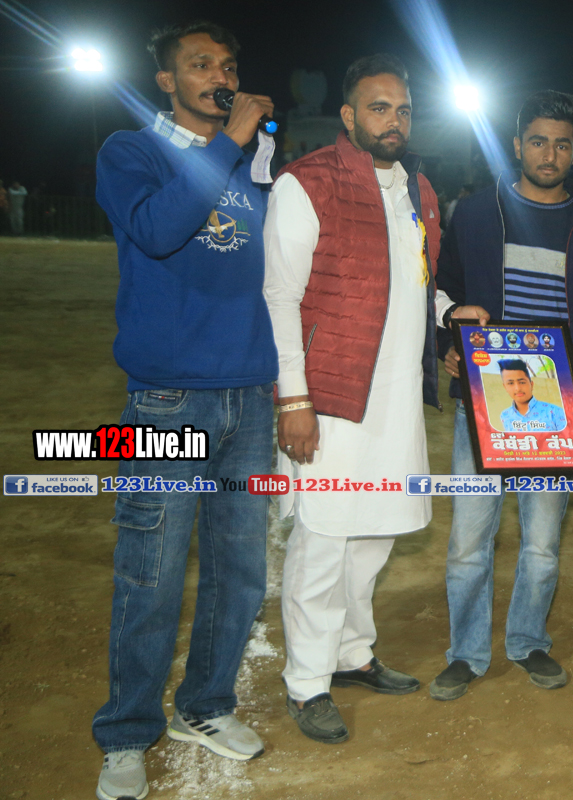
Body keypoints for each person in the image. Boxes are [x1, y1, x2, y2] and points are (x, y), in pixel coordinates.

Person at [90, 21, 278, 800]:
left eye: (228, 64)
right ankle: (126, 734)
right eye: (199, 65)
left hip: (252, 394)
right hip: (168, 397)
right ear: (166, 80)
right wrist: (228, 144)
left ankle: (205, 704)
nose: (219, 76)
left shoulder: (253, 162)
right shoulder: (130, 152)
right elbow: (159, 231)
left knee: (239, 570)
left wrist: (249, 154)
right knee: (153, 570)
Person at [262, 53, 441, 745]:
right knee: (325, 538)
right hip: (331, 398)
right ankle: (308, 681)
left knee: (375, 535)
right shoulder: (306, 182)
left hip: (396, 399)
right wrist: (293, 400)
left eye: (402, 110)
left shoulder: (420, 188)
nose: (393, 121)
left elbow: (416, 280)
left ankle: (351, 653)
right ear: (348, 115)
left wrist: (452, 313)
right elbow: (280, 297)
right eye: (378, 108)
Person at [432, 90, 573, 700]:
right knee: (467, 542)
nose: (549, 154)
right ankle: (465, 653)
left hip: (558, 411)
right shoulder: (475, 212)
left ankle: (529, 640)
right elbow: (444, 292)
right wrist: (450, 343)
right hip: (482, 405)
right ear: (517, 144)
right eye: (538, 141)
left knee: (541, 545)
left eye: (562, 144)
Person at [497, 358, 567, 432]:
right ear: (505, 387)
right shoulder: (505, 415)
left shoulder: (555, 412)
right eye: (511, 383)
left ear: (531, 384)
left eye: (522, 382)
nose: (517, 388)